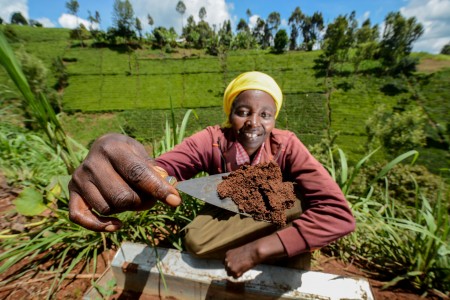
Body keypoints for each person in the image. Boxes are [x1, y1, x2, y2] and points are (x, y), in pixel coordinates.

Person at [69, 71, 355, 278]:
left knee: (294, 262)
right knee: (195, 241)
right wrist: (123, 164)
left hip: (282, 211)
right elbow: (163, 168)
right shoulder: (213, 140)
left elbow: (338, 215)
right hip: (236, 209)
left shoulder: (287, 145)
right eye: (243, 111)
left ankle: (280, 239)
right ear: (229, 113)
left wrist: (257, 250)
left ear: (274, 119)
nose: (253, 123)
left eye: (265, 115)